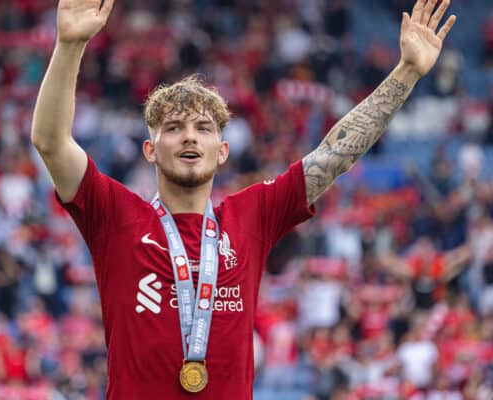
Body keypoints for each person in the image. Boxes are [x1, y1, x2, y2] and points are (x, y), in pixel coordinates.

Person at [30, 0, 456, 398]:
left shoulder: (252, 214)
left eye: (203, 128)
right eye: (174, 128)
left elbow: (334, 156)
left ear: (223, 150)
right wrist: (70, 44)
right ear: (150, 150)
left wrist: (406, 74)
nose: (190, 136)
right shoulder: (116, 215)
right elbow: (50, 142)